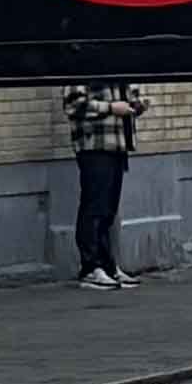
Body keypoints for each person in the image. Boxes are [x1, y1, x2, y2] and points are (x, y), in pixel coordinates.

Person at [64, 79, 145, 290]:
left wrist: (137, 104)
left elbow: (131, 96)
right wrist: (111, 108)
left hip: (119, 144)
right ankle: (90, 268)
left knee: (109, 209)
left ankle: (108, 267)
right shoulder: (82, 60)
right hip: (94, 145)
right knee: (94, 207)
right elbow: (73, 104)